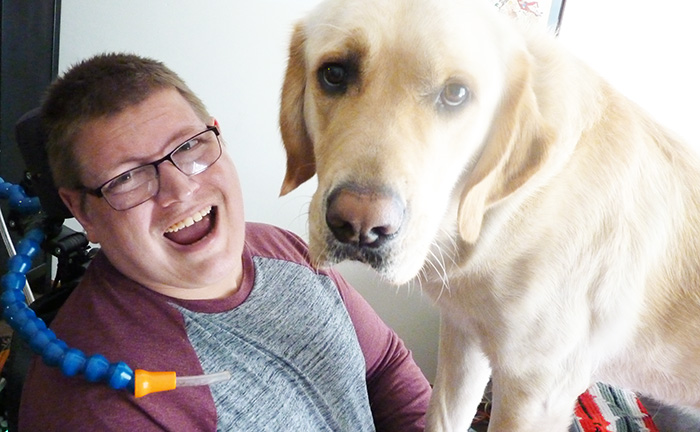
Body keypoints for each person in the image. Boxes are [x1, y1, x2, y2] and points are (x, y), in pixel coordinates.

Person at [18, 53, 431, 431]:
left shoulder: (279, 247)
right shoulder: (97, 408)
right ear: (84, 212)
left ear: (217, 136)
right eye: (128, 177)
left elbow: (383, 366)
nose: (180, 189)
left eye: (189, 145)